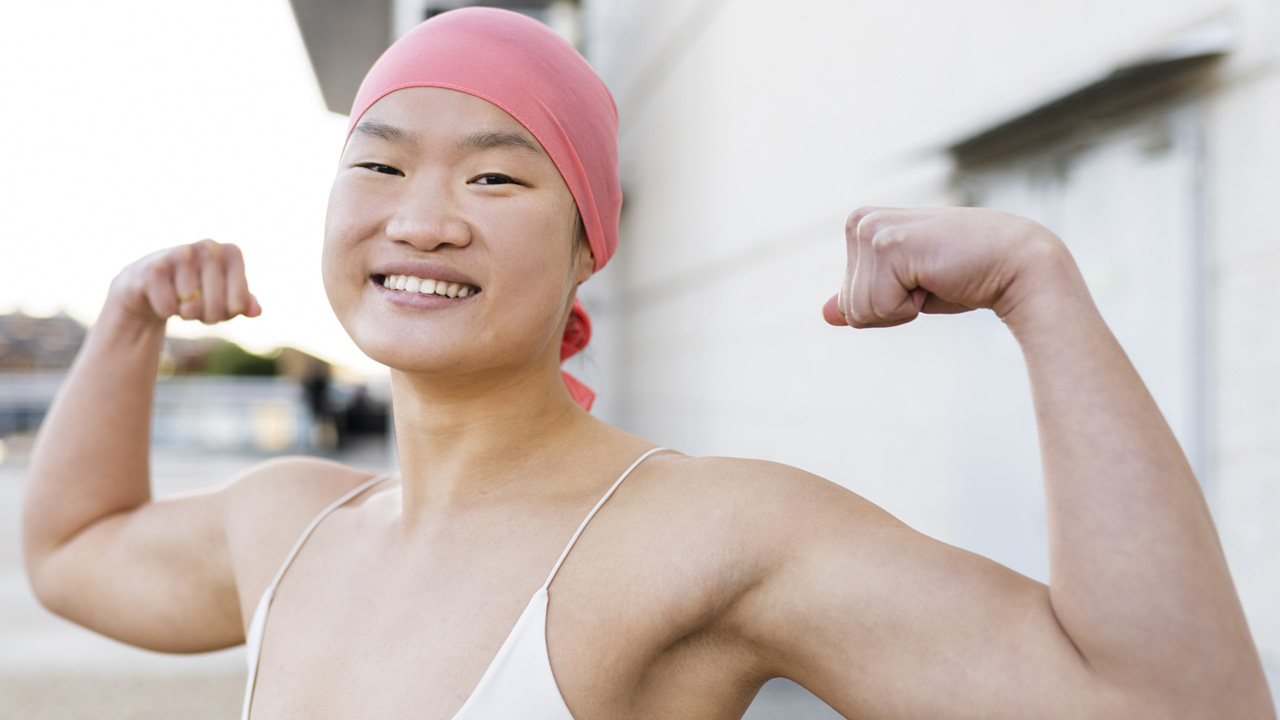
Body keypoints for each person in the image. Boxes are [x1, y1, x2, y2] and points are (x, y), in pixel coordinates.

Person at [20, 8, 1274, 720]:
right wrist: (128, 318)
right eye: (382, 161)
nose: (423, 216)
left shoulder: (698, 532)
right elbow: (72, 554)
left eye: (499, 175)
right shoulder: (287, 526)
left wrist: (1039, 290)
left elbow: (1168, 707)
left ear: (585, 253)